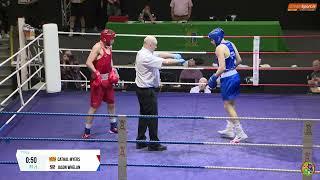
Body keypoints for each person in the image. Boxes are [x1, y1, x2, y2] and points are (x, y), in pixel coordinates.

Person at [135, 35, 186, 151]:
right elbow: (165, 62)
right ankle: (153, 143)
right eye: (155, 45)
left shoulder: (144, 52)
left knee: (143, 116)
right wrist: (179, 61)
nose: (157, 47)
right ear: (150, 45)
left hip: (142, 89)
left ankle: (140, 140)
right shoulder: (146, 57)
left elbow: (160, 54)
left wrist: (173, 54)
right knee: (152, 117)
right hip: (147, 90)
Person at [207, 27, 248, 143]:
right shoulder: (230, 43)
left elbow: (221, 68)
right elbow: (239, 60)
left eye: (212, 40)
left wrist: (213, 77)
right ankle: (230, 129)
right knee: (231, 104)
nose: (211, 42)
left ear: (216, 38)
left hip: (228, 78)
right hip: (235, 75)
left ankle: (240, 133)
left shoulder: (219, 48)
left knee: (227, 105)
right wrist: (231, 69)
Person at [82, 29, 119, 139]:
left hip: (108, 81)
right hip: (98, 82)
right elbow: (88, 62)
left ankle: (113, 126)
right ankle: (86, 131)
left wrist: (113, 70)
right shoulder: (97, 47)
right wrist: (96, 72)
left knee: (111, 103)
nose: (113, 41)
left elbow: (110, 61)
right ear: (105, 38)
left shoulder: (109, 47)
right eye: (111, 38)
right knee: (94, 107)